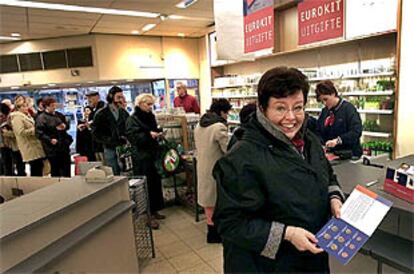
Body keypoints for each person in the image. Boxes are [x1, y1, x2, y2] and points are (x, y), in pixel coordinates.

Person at [213, 67, 345, 273]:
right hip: (268, 266)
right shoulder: (242, 157)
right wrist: (287, 234)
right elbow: (230, 223)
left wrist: (334, 197)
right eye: (281, 108)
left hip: (312, 258)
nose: (291, 117)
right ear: (263, 108)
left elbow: (327, 175)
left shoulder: (309, 140)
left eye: (298, 107)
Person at [194, 98, 232, 243]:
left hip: (202, 166)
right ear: (222, 112)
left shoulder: (200, 124)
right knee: (216, 200)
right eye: (227, 113)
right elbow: (227, 149)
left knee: (208, 200)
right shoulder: (218, 127)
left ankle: (211, 232)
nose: (227, 116)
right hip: (216, 169)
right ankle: (215, 234)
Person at [126, 93, 165, 229]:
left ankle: (154, 210)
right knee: (145, 186)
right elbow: (133, 137)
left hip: (153, 155)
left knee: (155, 183)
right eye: (148, 104)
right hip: (142, 157)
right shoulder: (133, 119)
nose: (150, 107)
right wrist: (149, 135)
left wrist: (158, 133)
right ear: (140, 104)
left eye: (151, 104)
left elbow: (152, 130)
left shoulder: (151, 117)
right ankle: (147, 215)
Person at [315, 80, 363, 158]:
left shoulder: (348, 109)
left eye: (326, 99)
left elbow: (356, 131)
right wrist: (320, 144)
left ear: (333, 94)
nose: (324, 103)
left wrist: (338, 140)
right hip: (332, 156)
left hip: (350, 155)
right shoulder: (324, 112)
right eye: (321, 101)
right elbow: (318, 130)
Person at [92, 86, 129, 175]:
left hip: (123, 147)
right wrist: (108, 140)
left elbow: (128, 127)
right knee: (113, 171)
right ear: (111, 96)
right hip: (109, 147)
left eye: (122, 97)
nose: (121, 100)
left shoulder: (123, 112)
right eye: (118, 97)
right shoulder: (101, 113)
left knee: (125, 171)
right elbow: (95, 133)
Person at [36, 97, 73, 177]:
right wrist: (50, 140)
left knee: (67, 168)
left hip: (63, 145)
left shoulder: (59, 115)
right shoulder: (41, 118)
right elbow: (39, 133)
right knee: (55, 170)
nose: (54, 107)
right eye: (52, 105)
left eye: (55, 105)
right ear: (46, 106)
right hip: (52, 148)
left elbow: (67, 125)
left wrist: (65, 126)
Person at [10, 96, 45, 176]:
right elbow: (20, 132)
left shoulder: (26, 115)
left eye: (26, 105)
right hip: (29, 146)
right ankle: (35, 186)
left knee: (38, 167)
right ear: (19, 107)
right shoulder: (17, 117)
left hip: (34, 145)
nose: (27, 108)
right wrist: (35, 130)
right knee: (36, 168)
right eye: (24, 106)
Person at [0, 102, 26, 176]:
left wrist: (6, 132)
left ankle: (22, 181)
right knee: (7, 166)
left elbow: (17, 133)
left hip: (15, 146)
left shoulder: (12, 120)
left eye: (2, 116)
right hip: (3, 146)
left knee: (20, 165)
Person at [85, 90, 105, 162]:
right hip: (95, 142)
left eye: (91, 98)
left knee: (104, 163)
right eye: (88, 98)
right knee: (98, 163)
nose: (89, 100)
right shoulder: (92, 109)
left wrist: (91, 124)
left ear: (97, 97)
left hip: (102, 142)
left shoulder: (102, 108)